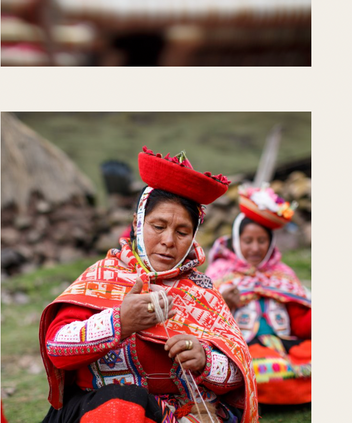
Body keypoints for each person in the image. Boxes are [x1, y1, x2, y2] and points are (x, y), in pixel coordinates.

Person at [38, 147, 257, 423]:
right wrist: (120, 322)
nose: (168, 240)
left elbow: (240, 375)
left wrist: (205, 361)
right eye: (158, 226)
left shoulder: (203, 293)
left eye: (182, 232)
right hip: (102, 411)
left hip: (182, 414)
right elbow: (56, 349)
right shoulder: (103, 276)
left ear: (193, 237)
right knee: (124, 403)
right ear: (138, 223)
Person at [205, 184, 312, 406]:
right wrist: (226, 304)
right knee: (255, 367)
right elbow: (208, 324)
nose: (255, 248)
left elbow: (299, 323)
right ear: (237, 241)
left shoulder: (281, 273)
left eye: (261, 241)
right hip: (246, 346)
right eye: (248, 241)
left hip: (286, 343)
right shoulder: (220, 272)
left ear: (271, 243)